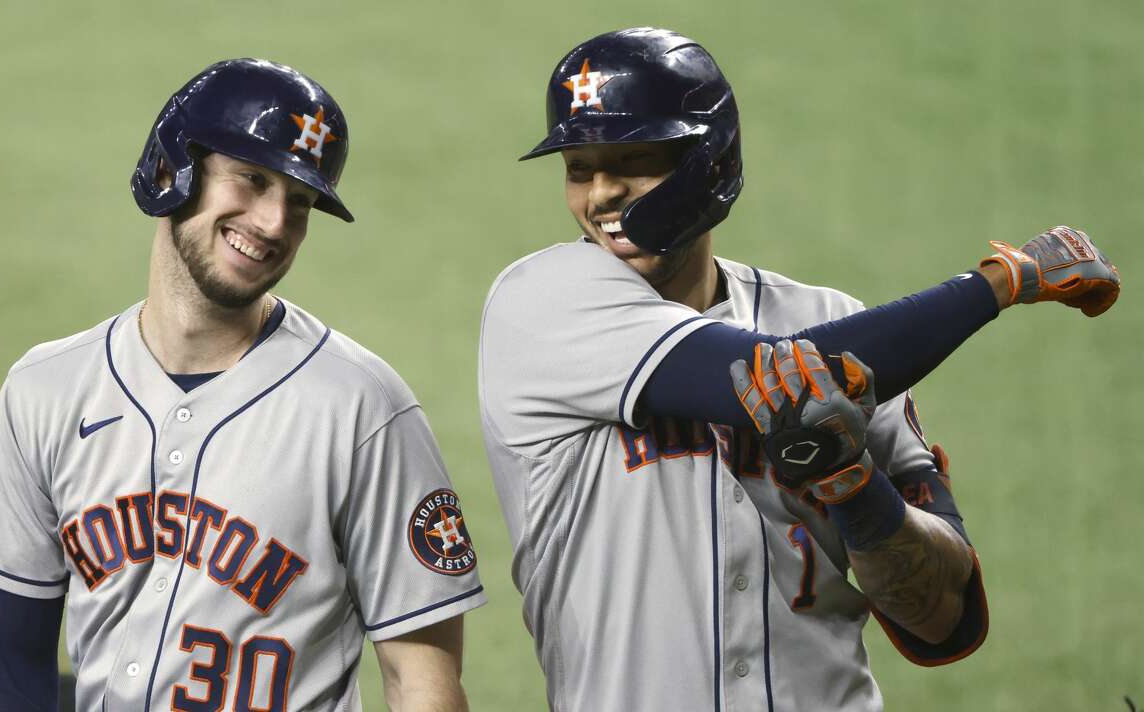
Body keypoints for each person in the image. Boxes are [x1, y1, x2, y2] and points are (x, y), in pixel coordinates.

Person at [478, 27, 1119, 711]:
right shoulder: (541, 303)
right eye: (580, 168)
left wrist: (856, 494)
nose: (601, 195)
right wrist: (1005, 278)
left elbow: (943, 621)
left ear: (709, 161)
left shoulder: (830, 314)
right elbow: (788, 374)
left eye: (632, 160)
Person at [0, 58, 484, 711]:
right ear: (172, 170)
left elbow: (422, 682)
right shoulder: (45, 389)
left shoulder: (366, 409)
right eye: (252, 181)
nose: (272, 223)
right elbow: (8, 667)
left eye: (299, 201)